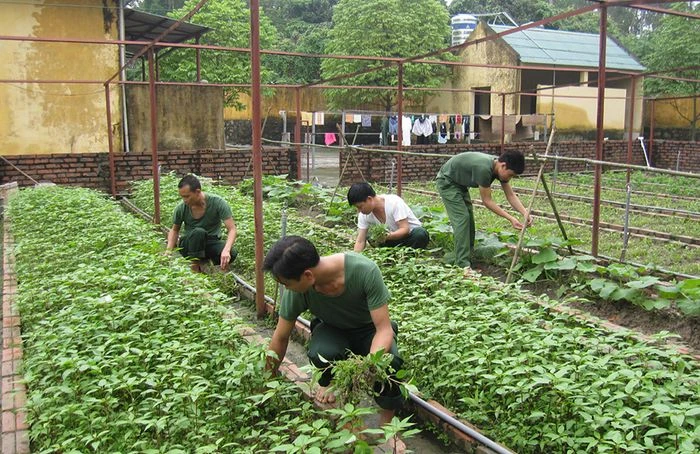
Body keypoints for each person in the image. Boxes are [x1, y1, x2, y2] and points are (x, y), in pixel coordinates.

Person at [263, 236, 405, 451]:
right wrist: (268, 379)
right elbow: (281, 337)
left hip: (370, 330)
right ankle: (345, 414)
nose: (287, 289)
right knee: (322, 352)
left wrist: (366, 366)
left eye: (287, 284)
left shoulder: (364, 271)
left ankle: (388, 429)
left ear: (308, 275)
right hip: (332, 328)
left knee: (390, 363)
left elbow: (384, 329)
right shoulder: (299, 291)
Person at [436, 150, 532, 270]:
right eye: (511, 175)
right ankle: (462, 265)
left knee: (469, 219)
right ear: (503, 165)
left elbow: (510, 195)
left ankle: (468, 257)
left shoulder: (499, 167)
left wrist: (524, 212)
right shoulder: (483, 169)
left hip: (460, 184)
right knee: (462, 219)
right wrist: (511, 218)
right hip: (447, 182)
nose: (510, 178)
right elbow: (487, 201)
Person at [166, 175, 238, 273]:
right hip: (189, 244)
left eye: (187, 196)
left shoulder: (218, 203)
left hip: (209, 242)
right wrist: (169, 251)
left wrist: (226, 250)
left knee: (232, 252)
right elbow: (174, 230)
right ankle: (194, 267)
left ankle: (208, 263)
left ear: (197, 192)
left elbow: (232, 229)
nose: (185, 200)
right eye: (182, 197)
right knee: (198, 232)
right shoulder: (181, 208)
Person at [347, 182, 429, 252]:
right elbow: (360, 240)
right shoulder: (364, 215)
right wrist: (355, 258)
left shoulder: (394, 202)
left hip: (409, 237)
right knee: (370, 235)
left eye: (360, 206)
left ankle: (409, 253)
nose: (359, 211)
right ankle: (392, 253)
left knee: (420, 233)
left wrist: (386, 236)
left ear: (369, 199)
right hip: (390, 240)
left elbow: (405, 229)